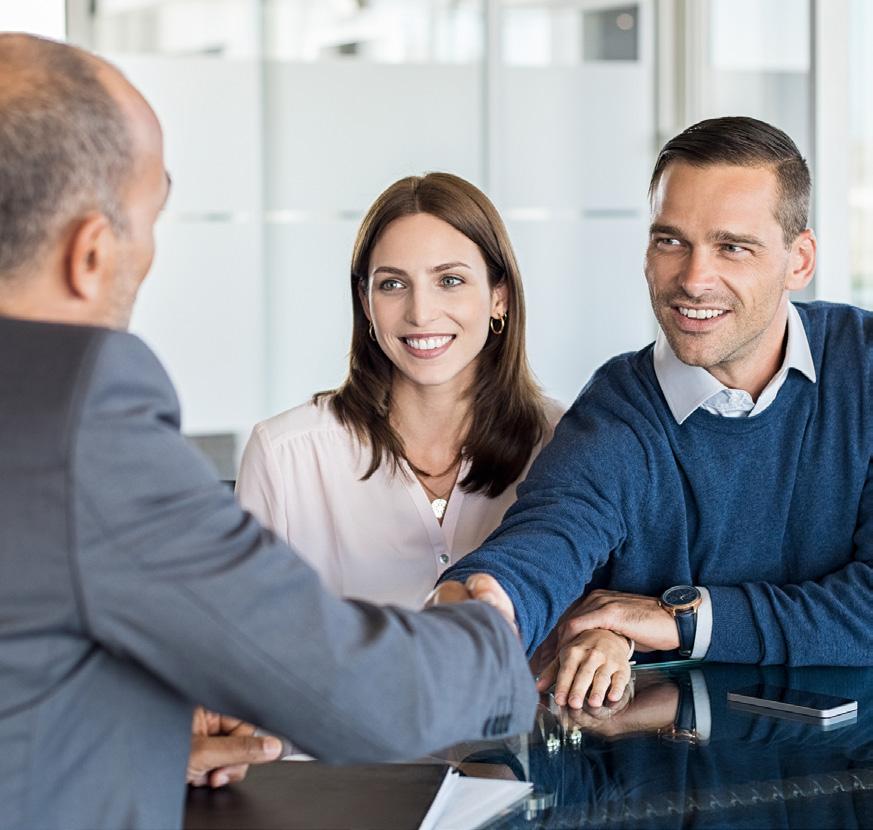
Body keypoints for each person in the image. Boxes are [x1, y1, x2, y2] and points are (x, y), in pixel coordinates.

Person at [0, 33, 538, 830]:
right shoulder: (76, 420)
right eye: (151, 219)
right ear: (90, 252)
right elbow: (365, 695)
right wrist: (496, 634)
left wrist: (156, 730)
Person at [432, 116, 873, 705]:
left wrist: (682, 620)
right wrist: (486, 602)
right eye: (671, 241)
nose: (693, 279)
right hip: (676, 777)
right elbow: (550, 538)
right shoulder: (618, 412)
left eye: (732, 247)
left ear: (799, 259)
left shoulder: (862, 368)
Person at [236, 172, 565, 610]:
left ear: (499, 296)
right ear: (366, 304)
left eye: (449, 280)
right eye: (392, 284)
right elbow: (248, 649)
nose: (421, 313)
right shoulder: (285, 456)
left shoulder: (563, 441)